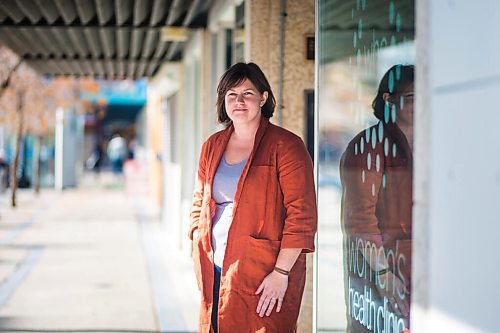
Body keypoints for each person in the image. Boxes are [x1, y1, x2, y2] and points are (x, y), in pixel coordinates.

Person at [189, 62, 317, 332]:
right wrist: (196, 240)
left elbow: (301, 216)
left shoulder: (286, 146)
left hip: (264, 270)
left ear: (263, 98)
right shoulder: (212, 146)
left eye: (247, 93)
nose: (239, 101)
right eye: (231, 95)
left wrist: (281, 273)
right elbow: (199, 200)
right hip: (214, 265)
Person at [339, 65, 414, 333]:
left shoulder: (433, 142)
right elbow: (360, 218)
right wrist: (382, 273)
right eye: (413, 96)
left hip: (420, 269)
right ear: (389, 99)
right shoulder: (370, 145)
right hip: (383, 269)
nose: (421, 103)